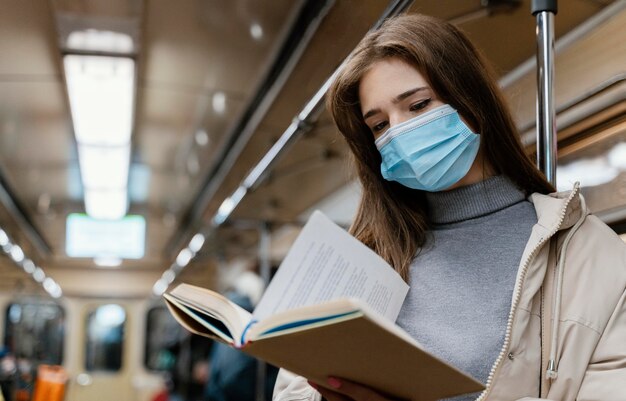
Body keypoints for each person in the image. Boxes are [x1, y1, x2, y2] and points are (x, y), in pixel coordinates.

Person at [273, 13, 626, 401]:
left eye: (418, 105)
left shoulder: (593, 257)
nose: (398, 133)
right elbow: (293, 390)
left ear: (471, 99)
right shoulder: (360, 259)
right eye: (378, 125)